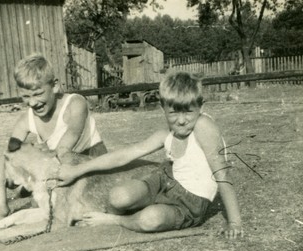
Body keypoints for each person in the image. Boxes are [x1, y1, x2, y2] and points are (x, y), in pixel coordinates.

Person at [57, 71, 243, 239]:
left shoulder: (203, 126)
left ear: (200, 107)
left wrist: (234, 221)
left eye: (188, 111)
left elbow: (222, 174)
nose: (181, 120)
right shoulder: (167, 133)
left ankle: (115, 220)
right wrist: (77, 170)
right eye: (173, 113)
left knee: (150, 219)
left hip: (191, 201)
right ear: (163, 108)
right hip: (165, 180)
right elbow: (125, 155)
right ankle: (127, 213)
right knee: (118, 196)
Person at [0, 53, 107, 220]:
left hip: (89, 162)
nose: (33, 103)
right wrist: (12, 172)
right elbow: (9, 154)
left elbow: (67, 143)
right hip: (56, 167)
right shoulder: (26, 120)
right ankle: (1, 209)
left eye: (38, 94)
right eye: (26, 96)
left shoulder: (75, 104)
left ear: (55, 86)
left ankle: (29, 190)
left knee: (49, 209)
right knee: (4, 160)